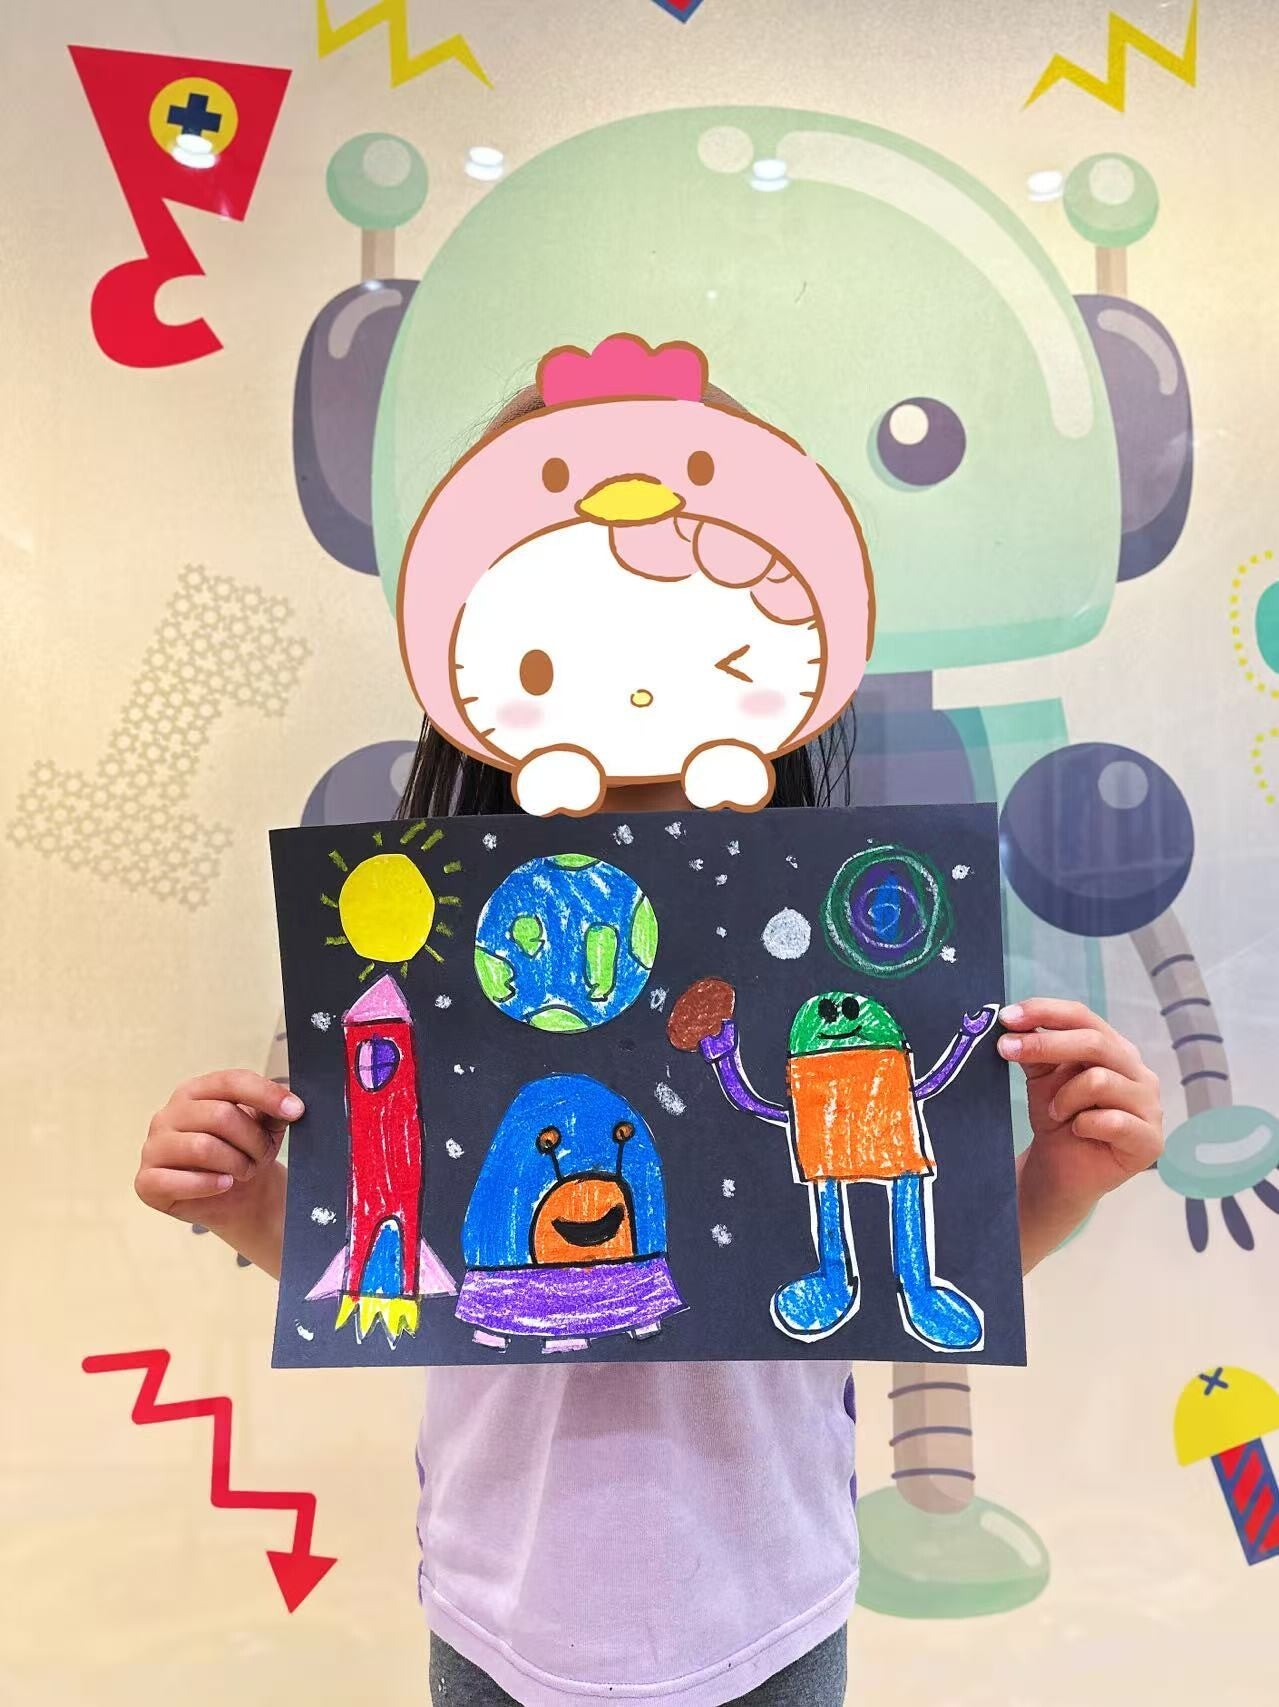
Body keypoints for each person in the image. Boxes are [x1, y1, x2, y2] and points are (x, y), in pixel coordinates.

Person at [135, 384, 1164, 1706]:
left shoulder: (816, 947)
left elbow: (892, 1247)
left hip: (771, 1603)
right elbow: (393, 1257)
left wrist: (1058, 1178)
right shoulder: (435, 953)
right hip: (502, 1608)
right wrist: (246, 1198)